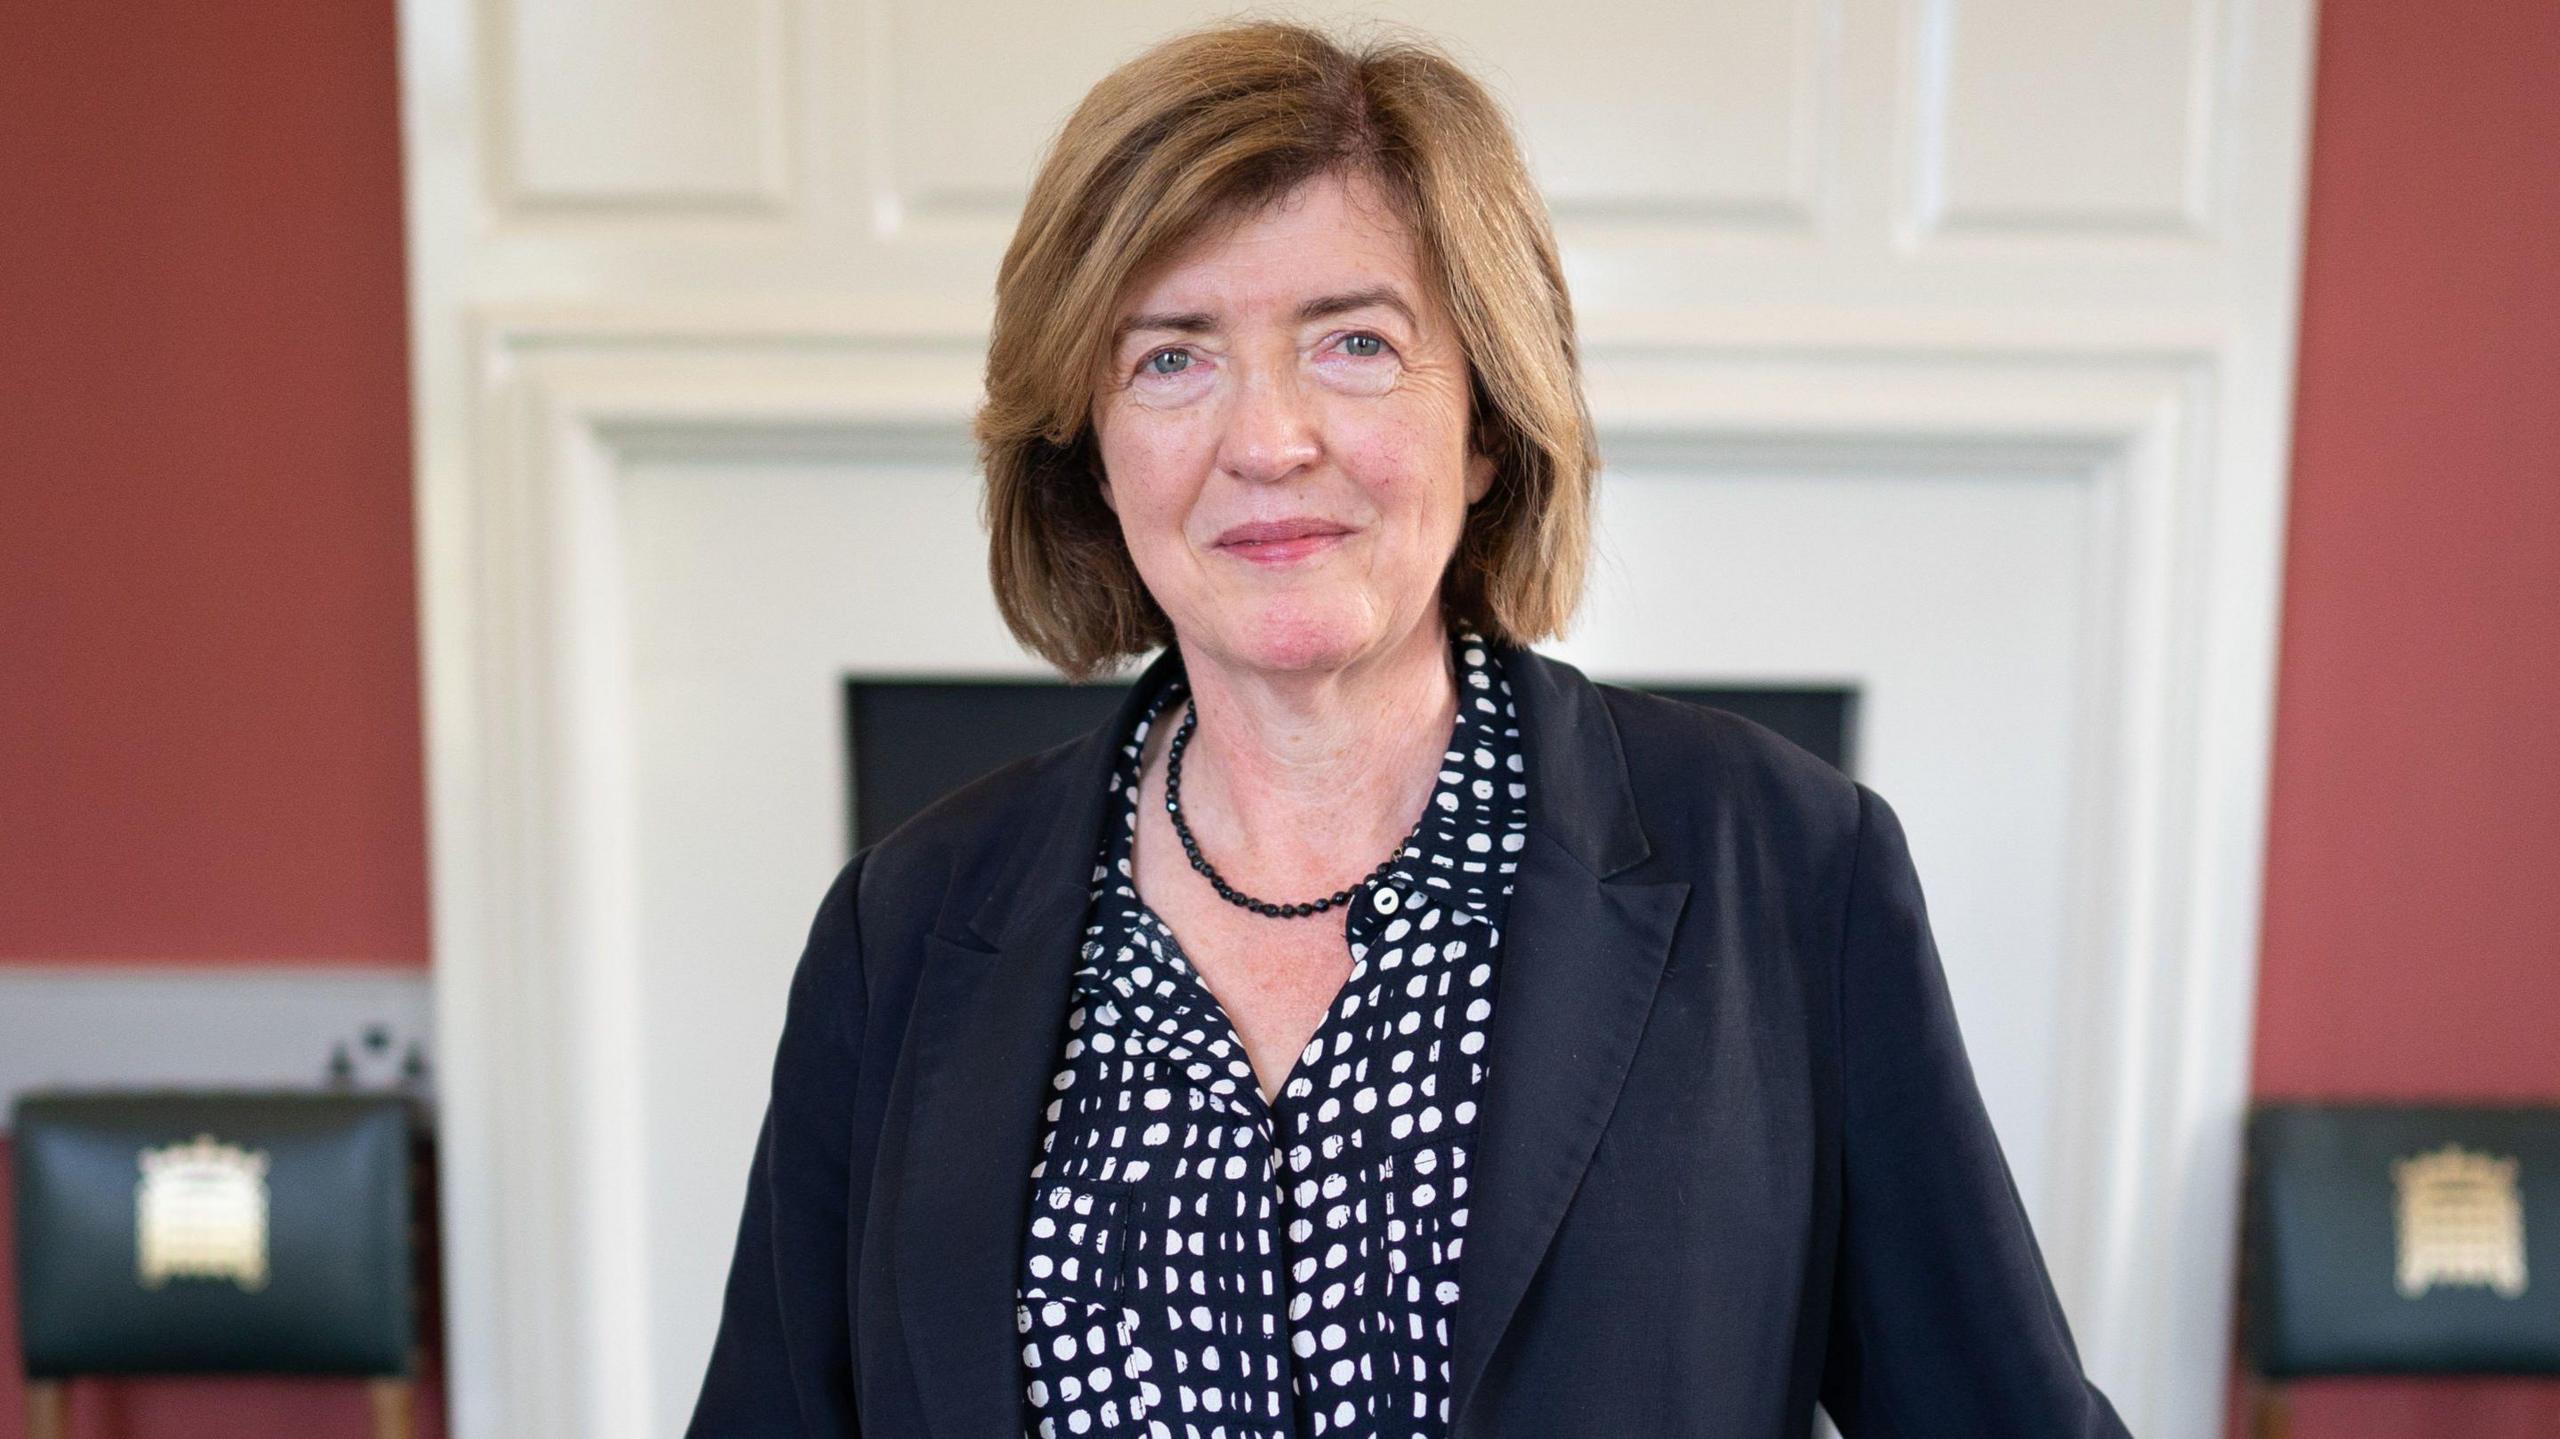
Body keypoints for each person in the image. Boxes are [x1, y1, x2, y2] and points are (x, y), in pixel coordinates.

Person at [687, 18, 2130, 1438]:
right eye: (1171, 359)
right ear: (1090, 448)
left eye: (1357, 346)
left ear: (1489, 417)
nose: (1266, 440)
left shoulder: (1786, 868)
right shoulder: (907, 927)